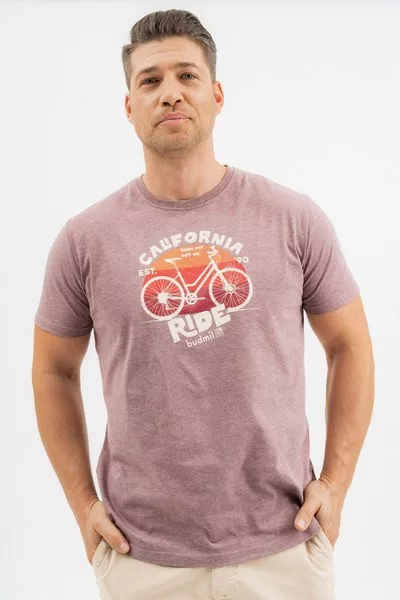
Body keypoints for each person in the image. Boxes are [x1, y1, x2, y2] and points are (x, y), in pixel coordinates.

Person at [31, 8, 374, 600]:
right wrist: (84, 506)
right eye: (150, 80)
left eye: (187, 76)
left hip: (283, 548)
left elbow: (350, 345)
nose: (170, 92)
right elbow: (52, 371)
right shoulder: (85, 240)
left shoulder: (293, 218)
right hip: (142, 558)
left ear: (216, 95)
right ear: (129, 106)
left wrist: (336, 485)